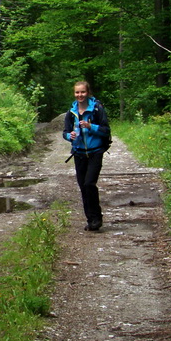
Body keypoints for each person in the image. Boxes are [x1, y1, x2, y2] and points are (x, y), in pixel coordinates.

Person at [63, 81, 111, 231]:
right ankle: (91, 220)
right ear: (74, 94)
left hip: (95, 152)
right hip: (79, 153)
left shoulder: (97, 108)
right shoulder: (71, 112)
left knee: (89, 183)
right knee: (83, 187)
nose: (80, 95)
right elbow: (64, 132)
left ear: (88, 92)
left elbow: (106, 130)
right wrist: (69, 135)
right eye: (77, 92)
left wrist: (91, 126)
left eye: (82, 92)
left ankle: (97, 218)